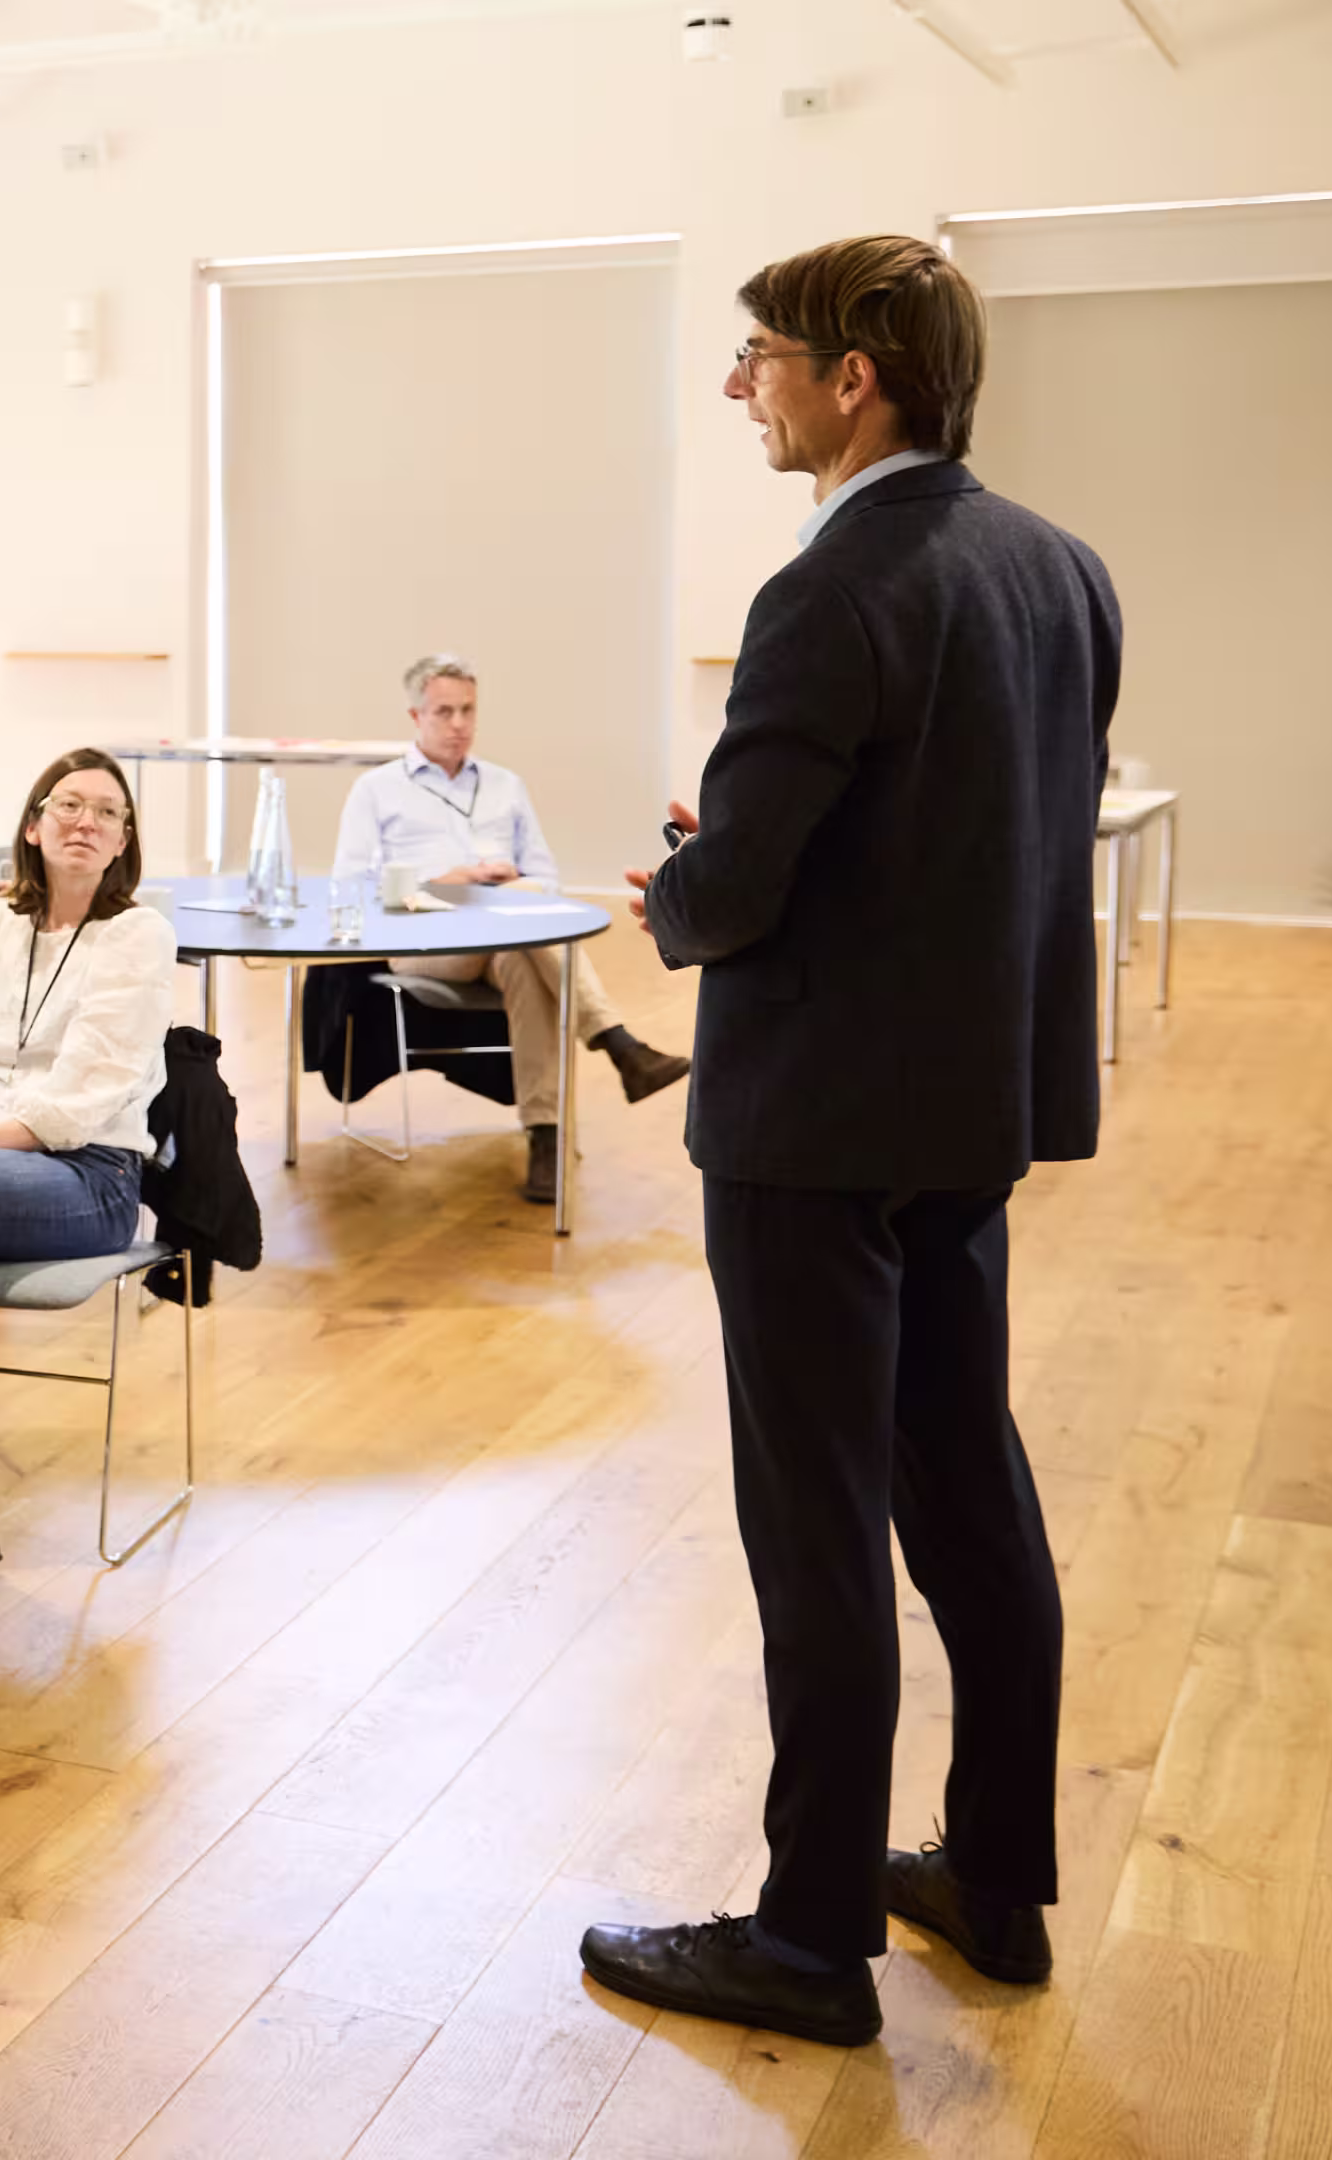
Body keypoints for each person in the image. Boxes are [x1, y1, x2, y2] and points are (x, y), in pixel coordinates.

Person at [577, 235, 1112, 2052]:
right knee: (969, 1484)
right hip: (975, 1107)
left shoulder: (828, 588)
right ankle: (997, 1877)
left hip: (812, 1127)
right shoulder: (1064, 571)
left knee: (819, 1530)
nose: (742, 390)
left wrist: (687, 886)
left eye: (759, 361)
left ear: (852, 375)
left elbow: (745, 886)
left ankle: (808, 1944)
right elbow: (973, 841)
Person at [0, 749, 184, 1589]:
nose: (85, 821)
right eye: (68, 805)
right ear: (33, 824)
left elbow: (79, 1102)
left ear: (124, 840)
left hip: (88, 1180)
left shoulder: (139, 936)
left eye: (106, 811)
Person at [331, 653, 689, 1202]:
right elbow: (352, 886)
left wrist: (510, 881)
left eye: (468, 710)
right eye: (444, 711)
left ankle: (545, 1138)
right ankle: (618, 1043)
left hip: (506, 939)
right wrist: (448, 881)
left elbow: (546, 880)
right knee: (524, 920)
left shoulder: (505, 786)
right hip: (424, 940)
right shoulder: (377, 790)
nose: (458, 724)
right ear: (415, 716)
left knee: (525, 950)